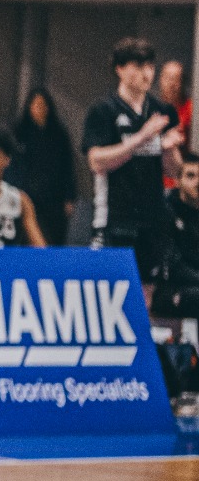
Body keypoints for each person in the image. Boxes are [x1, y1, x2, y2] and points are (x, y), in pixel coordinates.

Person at [83, 37, 184, 296]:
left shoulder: (161, 111)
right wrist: (142, 138)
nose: (146, 73)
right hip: (116, 216)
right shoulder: (103, 111)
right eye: (138, 66)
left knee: (147, 292)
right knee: (114, 292)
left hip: (153, 215)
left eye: (150, 66)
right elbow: (96, 161)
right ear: (119, 68)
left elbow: (174, 172)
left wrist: (168, 148)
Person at [9, 88, 77, 246]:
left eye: (43, 105)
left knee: (54, 238)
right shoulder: (19, 132)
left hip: (54, 197)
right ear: (29, 107)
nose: (39, 109)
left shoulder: (59, 134)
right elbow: (13, 166)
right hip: (28, 194)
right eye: (36, 105)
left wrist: (70, 196)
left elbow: (67, 167)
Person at [154, 153, 199, 317]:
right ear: (178, 181)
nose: (197, 182)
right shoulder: (165, 212)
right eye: (191, 176)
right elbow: (173, 266)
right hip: (171, 288)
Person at [159, 60, 191, 150]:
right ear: (160, 80)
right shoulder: (152, 107)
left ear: (183, 83)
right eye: (167, 78)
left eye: (176, 79)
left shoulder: (191, 109)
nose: (171, 84)